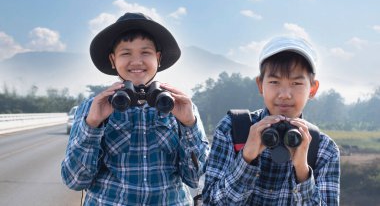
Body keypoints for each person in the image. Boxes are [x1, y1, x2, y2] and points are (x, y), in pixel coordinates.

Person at [61, 12, 209, 205]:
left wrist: (190, 125)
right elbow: (75, 180)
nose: (137, 61)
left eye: (145, 52)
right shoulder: (93, 107)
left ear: (158, 58)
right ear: (113, 60)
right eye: (126, 53)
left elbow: (197, 178)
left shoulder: (178, 105)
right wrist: (92, 125)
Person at [202, 36, 340, 205]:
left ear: (312, 88)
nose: (284, 94)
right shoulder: (232, 129)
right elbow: (211, 202)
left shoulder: (324, 149)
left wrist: (302, 171)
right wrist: (246, 158)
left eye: (296, 83)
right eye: (274, 82)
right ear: (261, 85)